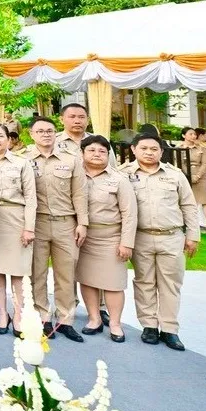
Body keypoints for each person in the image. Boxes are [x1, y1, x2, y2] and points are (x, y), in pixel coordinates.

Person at [124, 132, 200, 351]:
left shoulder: (175, 175)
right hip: (140, 237)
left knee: (171, 284)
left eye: (154, 149)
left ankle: (170, 329)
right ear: (134, 150)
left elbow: (188, 206)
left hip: (171, 236)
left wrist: (193, 235)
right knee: (144, 282)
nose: (149, 153)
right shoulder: (124, 174)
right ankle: (149, 326)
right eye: (144, 148)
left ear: (161, 151)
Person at [28, 115, 89, 342]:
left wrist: (82, 223)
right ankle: (41, 318)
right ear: (32, 134)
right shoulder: (24, 158)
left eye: (50, 130)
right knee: (37, 273)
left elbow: (80, 193)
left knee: (66, 274)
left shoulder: (71, 159)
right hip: (38, 223)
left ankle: (65, 320)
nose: (46, 134)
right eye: (40, 131)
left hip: (66, 224)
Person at [77, 134, 135, 343]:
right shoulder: (76, 177)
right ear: (82, 153)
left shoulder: (119, 179)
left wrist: (126, 242)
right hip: (82, 238)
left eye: (102, 151)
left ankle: (115, 323)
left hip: (111, 237)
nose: (97, 154)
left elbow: (129, 213)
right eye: (91, 150)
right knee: (87, 279)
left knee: (113, 283)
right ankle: (94, 318)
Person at [0, 123, 36, 335]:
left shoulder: (22, 163)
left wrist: (29, 228)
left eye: (0, 135)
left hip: (16, 217)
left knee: (18, 270)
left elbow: (31, 198)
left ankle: (19, 314)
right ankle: (2, 313)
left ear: (9, 139)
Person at [179, 127, 206, 230]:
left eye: (194, 134)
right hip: (185, 175)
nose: (193, 136)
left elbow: (205, 163)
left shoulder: (201, 148)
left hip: (201, 175)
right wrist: (189, 175)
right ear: (183, 135)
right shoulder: (179, 147)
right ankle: (185, 223)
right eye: (190, 134)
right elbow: (180, 163)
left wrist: (198, 175)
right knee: (185, 200)